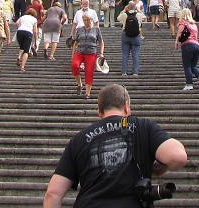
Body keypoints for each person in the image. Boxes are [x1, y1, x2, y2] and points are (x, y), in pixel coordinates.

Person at [43, 83, 187, 208]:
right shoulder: (144, 127)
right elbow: (178, 156)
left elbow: (52, 193)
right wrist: (162, 165)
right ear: (126, 107)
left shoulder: (78, 139)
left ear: (99, 112)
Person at [71, 13, 104, 99]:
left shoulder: (96, 29)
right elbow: (75, 42)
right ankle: (79, 84)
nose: (86, 22)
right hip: (80, 51)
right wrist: (73, 53)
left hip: (91, 52)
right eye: (85, 20)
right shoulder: (80, 29)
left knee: (89, 72)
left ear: (91, 20)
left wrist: (101, 53)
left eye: (88, 20)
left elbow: (101, 42)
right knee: (75, 65)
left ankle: (87, 93)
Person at [175, 8, 199, 91]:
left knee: (187, 66)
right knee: (193, 66)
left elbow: (180, 32)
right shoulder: (194, 24)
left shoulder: (183, 22)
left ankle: (189, 84)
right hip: (196, 45)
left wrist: (176, 42)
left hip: (187, 45)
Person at [118, 0, 145, 75]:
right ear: (135, 7)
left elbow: (118, 18)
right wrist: (138, 10)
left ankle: (124, 72)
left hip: (126, 35)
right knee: (135, 54)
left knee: (125, 54)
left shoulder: (124, 15)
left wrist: (124, 10)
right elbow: (144, 17)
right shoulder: (138, 15)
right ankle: (135, 72)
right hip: (136, 36)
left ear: (128, 7)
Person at [15, 7, 39, 72]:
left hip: (20, 31)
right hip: (28, 32)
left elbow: (16, 23)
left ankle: (19, 57)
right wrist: (36, 41)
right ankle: (22, 67)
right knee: (26, 50)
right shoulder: (34, 19)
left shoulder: (22, 17)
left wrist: (19, 27)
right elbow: (35, 31)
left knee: (21, 47)